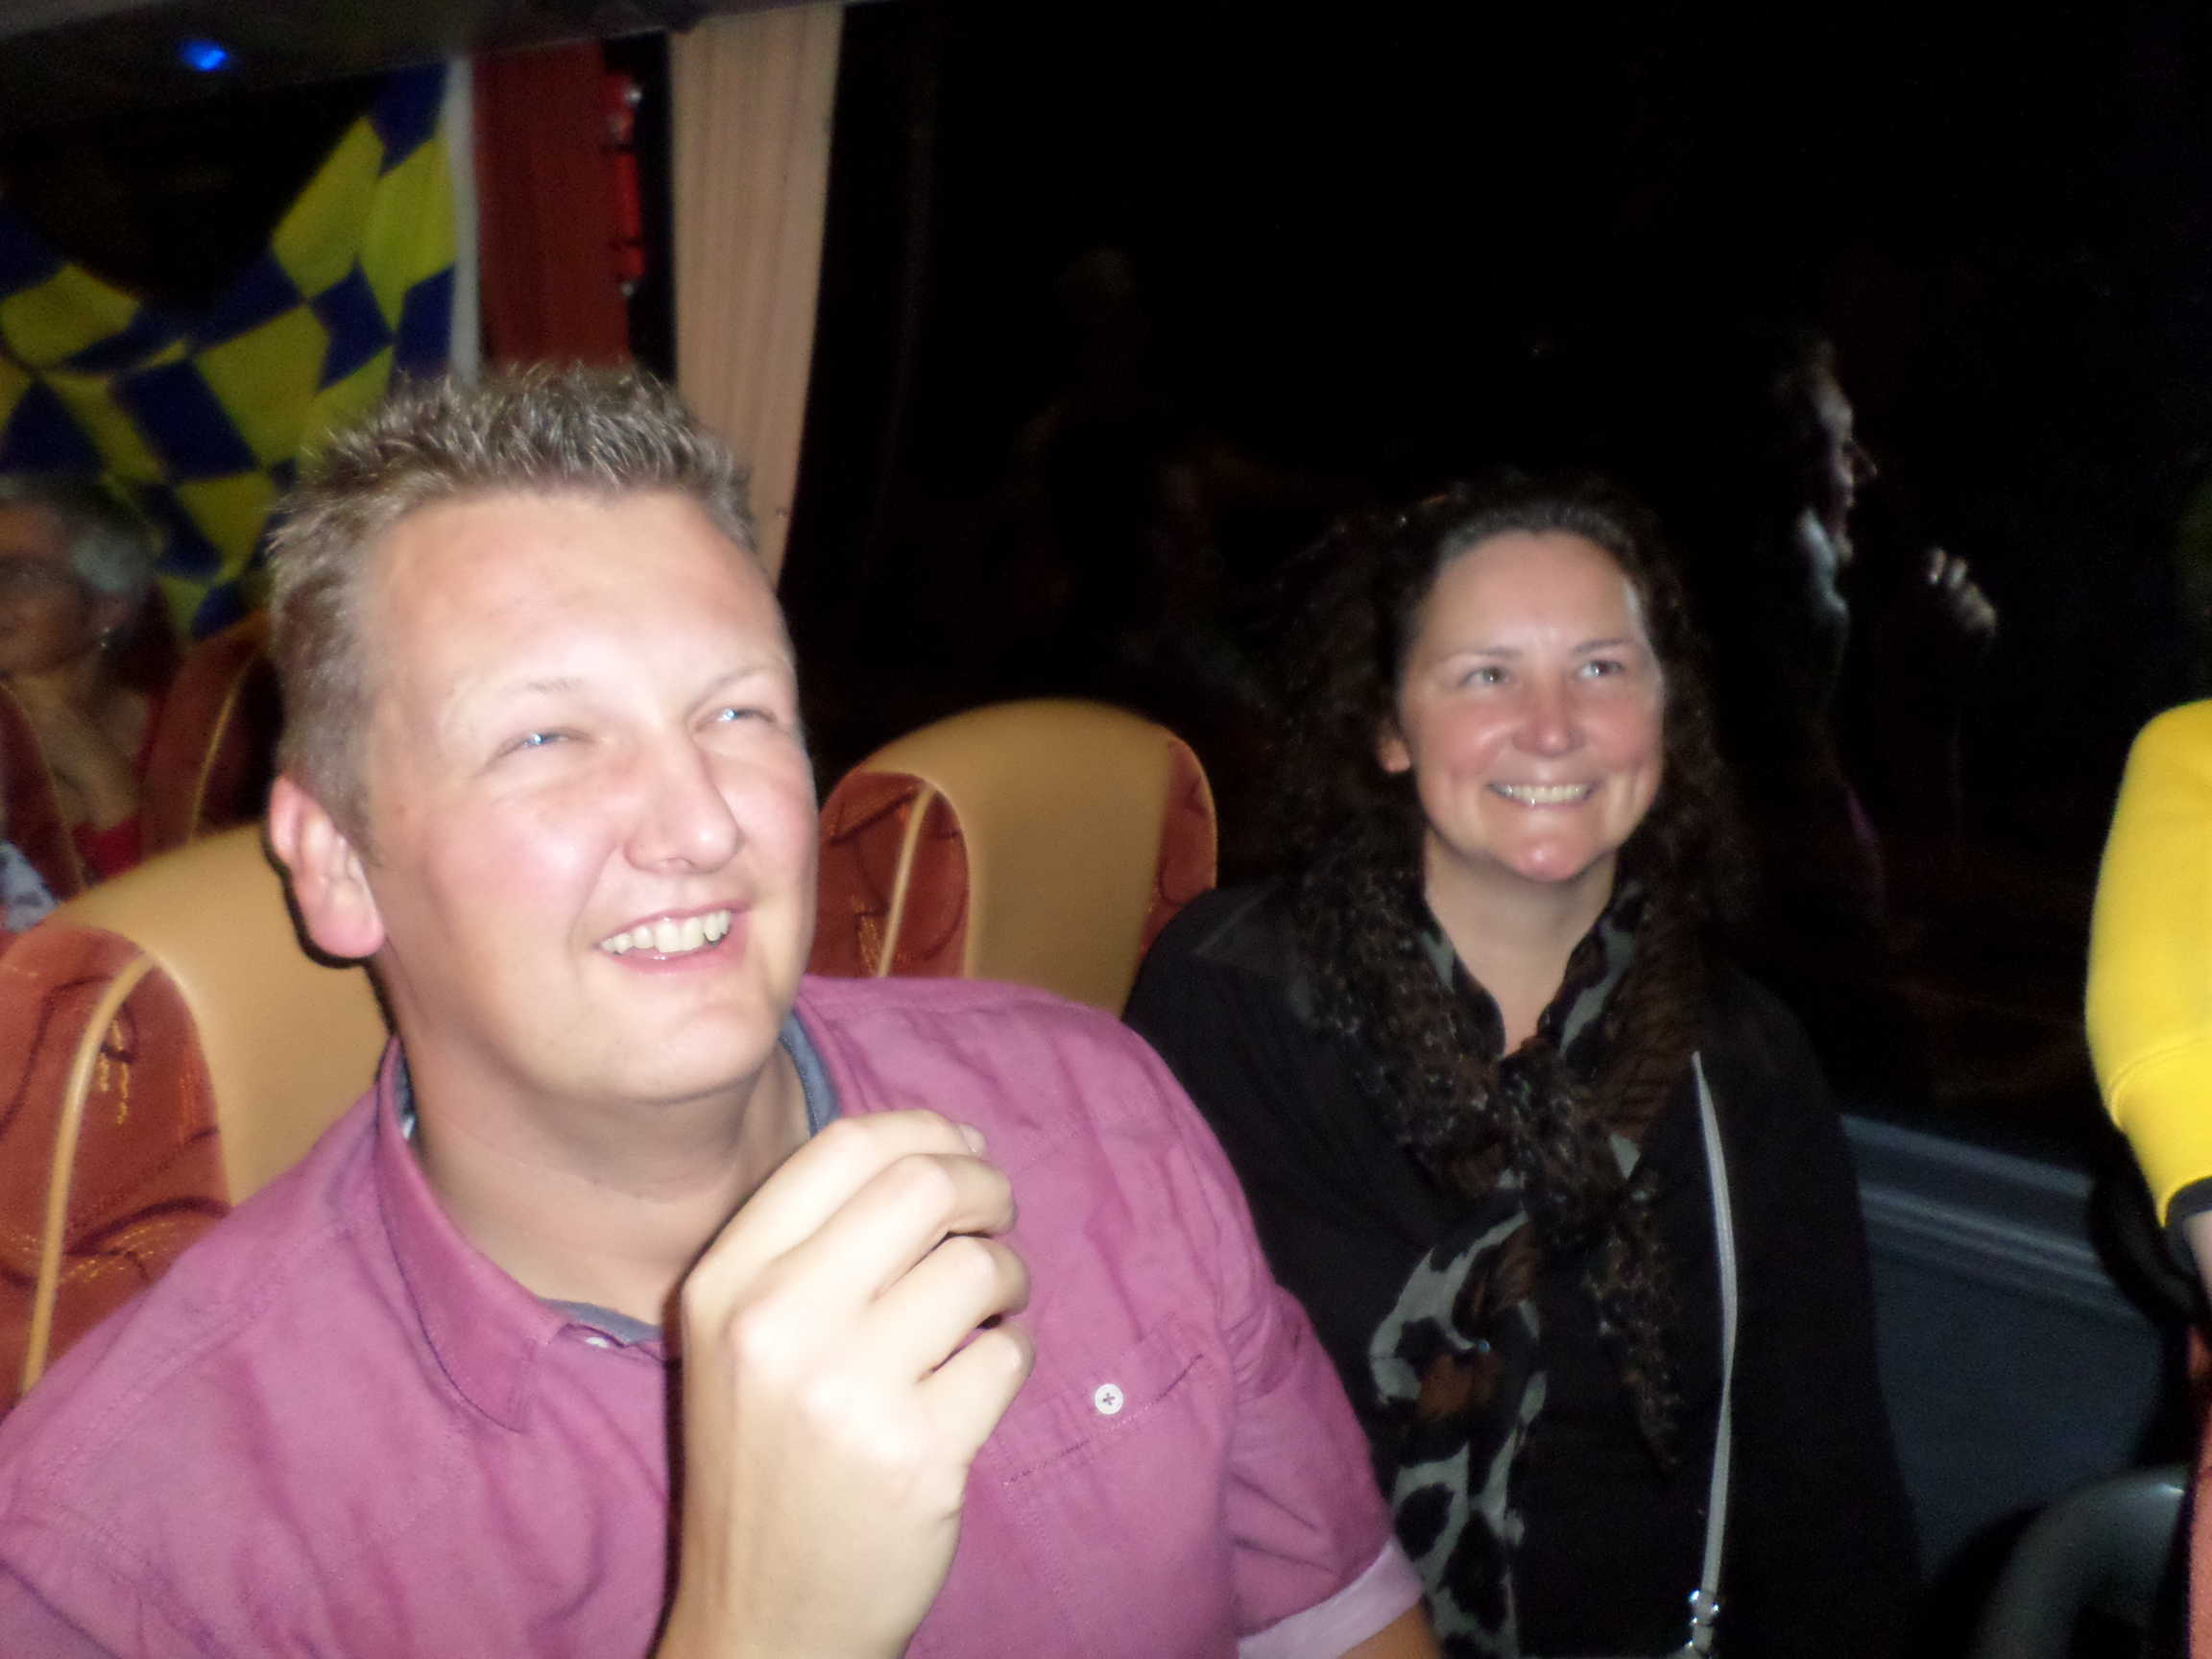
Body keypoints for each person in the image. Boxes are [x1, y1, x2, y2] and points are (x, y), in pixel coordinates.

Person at [0, 369, 1432, 1658]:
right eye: (545, 737)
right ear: (337, 865)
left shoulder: (1092, 1109)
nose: (698, 825)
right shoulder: (133, 1554)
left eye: (737, 714)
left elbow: (1340, 1622)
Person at [1125, 471, 1917, 1657]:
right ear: (1391, 729)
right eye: (1486, 675)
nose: (1553, 727)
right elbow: (1136, 1439)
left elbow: (1828, 1503)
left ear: (1664, 716)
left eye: (1601, 669)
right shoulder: (1229, 1001)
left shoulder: (1742, 1069)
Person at [0, 475, 165, 884]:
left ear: (108, 608)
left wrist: (98, 772)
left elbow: (185, 905)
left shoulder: (197, 741)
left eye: (20, 576)